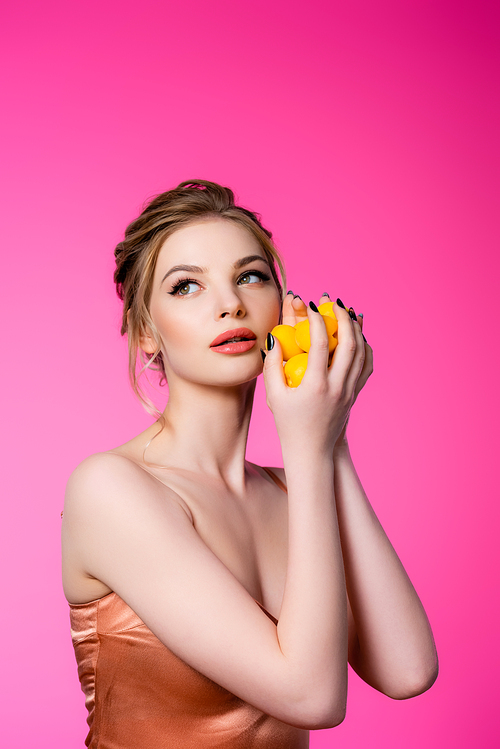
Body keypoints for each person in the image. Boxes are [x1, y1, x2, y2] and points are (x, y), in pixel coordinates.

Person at [61, 179, 438, 748]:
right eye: (186, 286)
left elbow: (408, 670)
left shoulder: (297, 488)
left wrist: (330, 440)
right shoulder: (111, 489)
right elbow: (312, 697)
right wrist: (311, 451)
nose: (229, 304)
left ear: (285, 311)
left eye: (250, 276)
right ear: (146, 333)